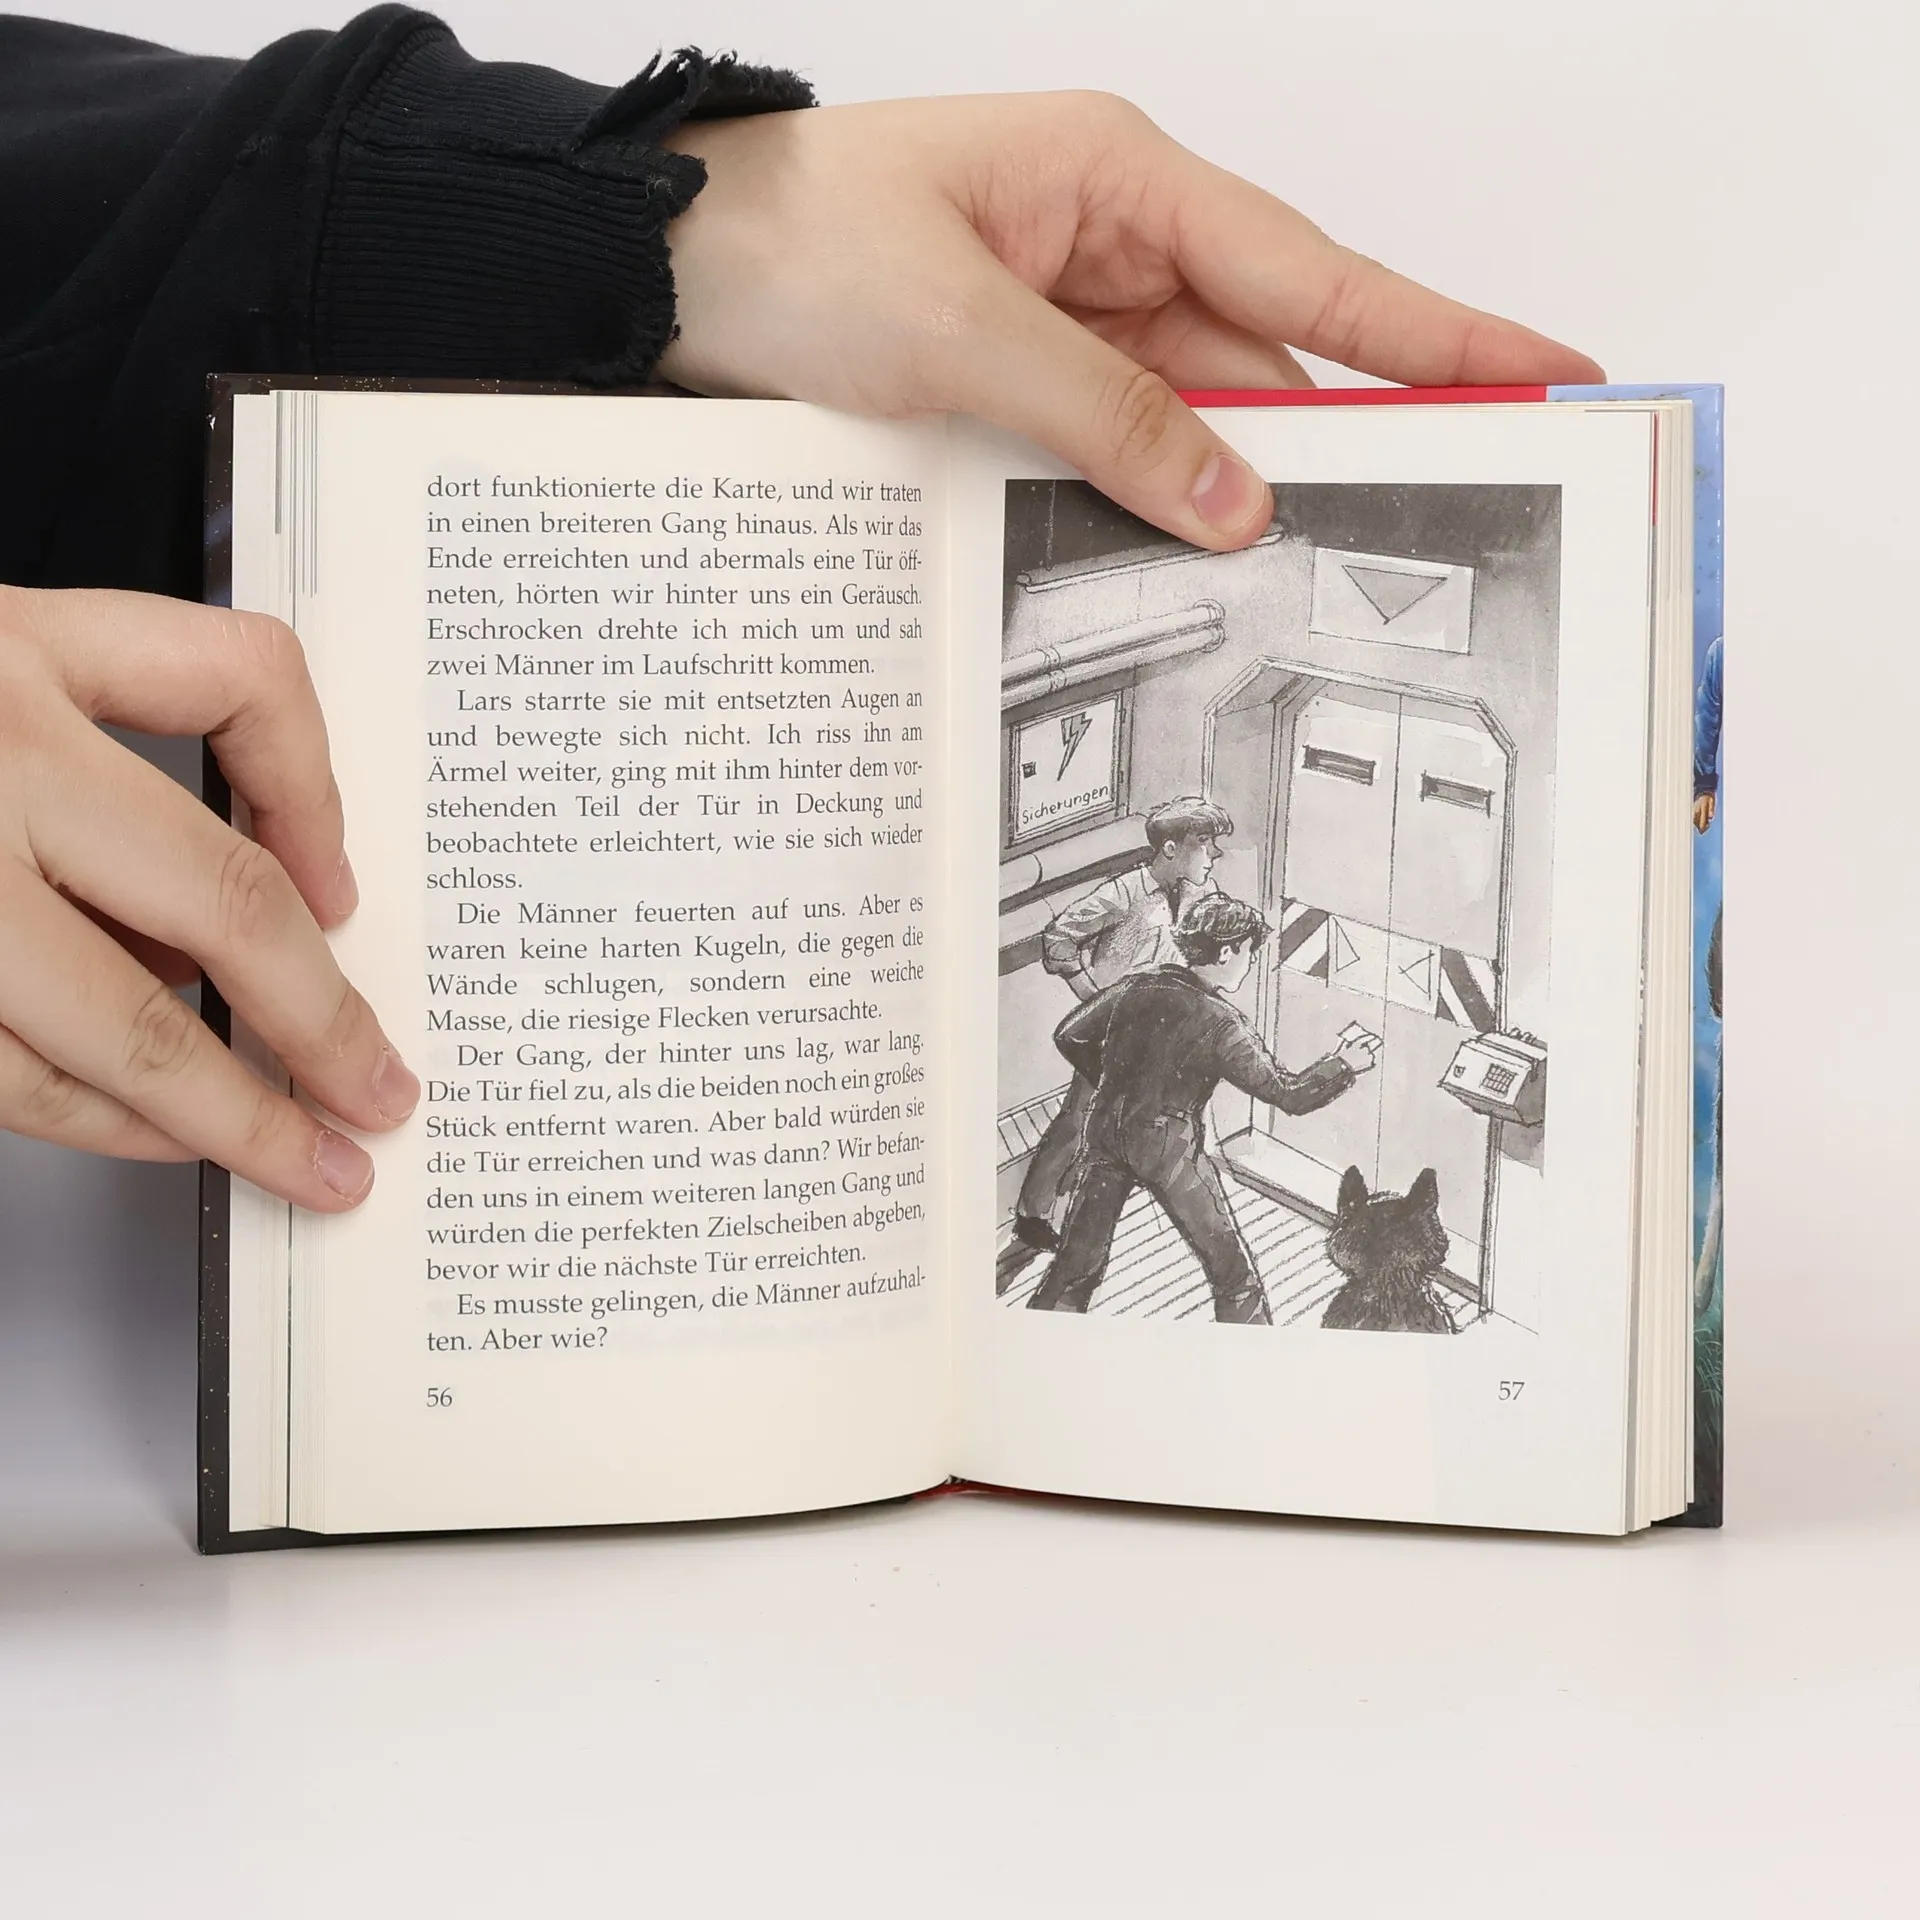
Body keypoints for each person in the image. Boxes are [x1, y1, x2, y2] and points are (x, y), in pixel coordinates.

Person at [0, 9, 1601, 1210]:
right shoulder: (1159, 951)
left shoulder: (1165, 959)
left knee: (1100, 1209)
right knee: (1119, 1209)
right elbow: (1161, 1032)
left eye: (1204, 876)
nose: (1201, 878)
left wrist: (650, 220)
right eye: (1196, 868)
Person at [1028, 896, 1378, 1322]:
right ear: (1227, 951)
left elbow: (1069, 1035)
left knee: (1074, 1269)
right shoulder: (1222, 1022)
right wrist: (1344, 1064)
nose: (1250, 963)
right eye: (1249, 952)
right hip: (1168, 1152)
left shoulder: (1137, 985)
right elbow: (1288, 1094)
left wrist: (1115, 1080)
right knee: (1233, 1276)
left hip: (1105, 1136)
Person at [1002, 796, 1231, 1283]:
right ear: (1170, 848)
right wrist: (1095, 1002)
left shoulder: (1202, 896)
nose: (1214, 854)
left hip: (1164, 1038)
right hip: (1113, 1038)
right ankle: (1034, 1216)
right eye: (1205, 843)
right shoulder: (1123, 893)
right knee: (1079, 1119)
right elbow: (1059, 939)